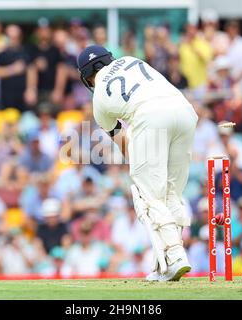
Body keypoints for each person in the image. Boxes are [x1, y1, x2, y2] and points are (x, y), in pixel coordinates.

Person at [77, 45, 198, 281]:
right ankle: (166, 263)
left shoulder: (99, 98)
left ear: (87, 76)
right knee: (172, 192)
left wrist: (141, 170)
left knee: (150, 195)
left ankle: (176, 255)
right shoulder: (132, 60)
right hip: (185, 111)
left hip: (150, 116)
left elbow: (123, 143)